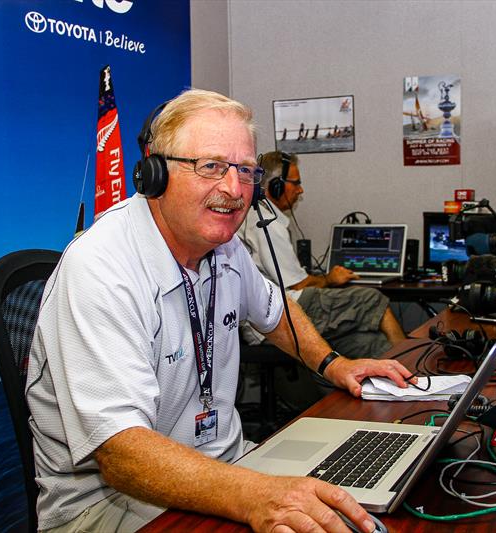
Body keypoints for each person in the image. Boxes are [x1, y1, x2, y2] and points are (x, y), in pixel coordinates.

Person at [26, 89, 414, 533]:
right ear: (154, 173)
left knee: (364, 502)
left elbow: (276, 312)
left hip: (224, 465)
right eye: (210, 166)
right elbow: (121, 455)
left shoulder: (226, 249)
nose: (233, 190)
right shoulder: (101, 268)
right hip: (111, 504)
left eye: (245, 171)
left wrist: (334, 364)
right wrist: (254, 494)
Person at [239, 151, 407, 360]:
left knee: (366, 343)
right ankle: (412, 369)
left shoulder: (258, 217)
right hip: (279, 315)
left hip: (272, 315)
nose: (300, 190)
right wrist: (329, 279)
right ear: (276, 186)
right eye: (296, 183)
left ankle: (399, 379)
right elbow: (298, 285)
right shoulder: (265, 223)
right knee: (372, 299)